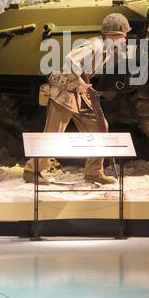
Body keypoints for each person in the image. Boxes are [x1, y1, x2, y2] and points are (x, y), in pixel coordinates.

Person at [24, 12, 130, 186]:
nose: (124, 41)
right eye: (121, 37)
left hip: (79, 91)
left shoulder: (108, 51)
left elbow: (88, 69)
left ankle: (94, 172)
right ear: (112, 36)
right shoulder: (94, 45)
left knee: (99, 126)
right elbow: (70, 60)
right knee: (54, 134)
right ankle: (31, 170)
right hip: (64, 89)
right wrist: (80, 82)